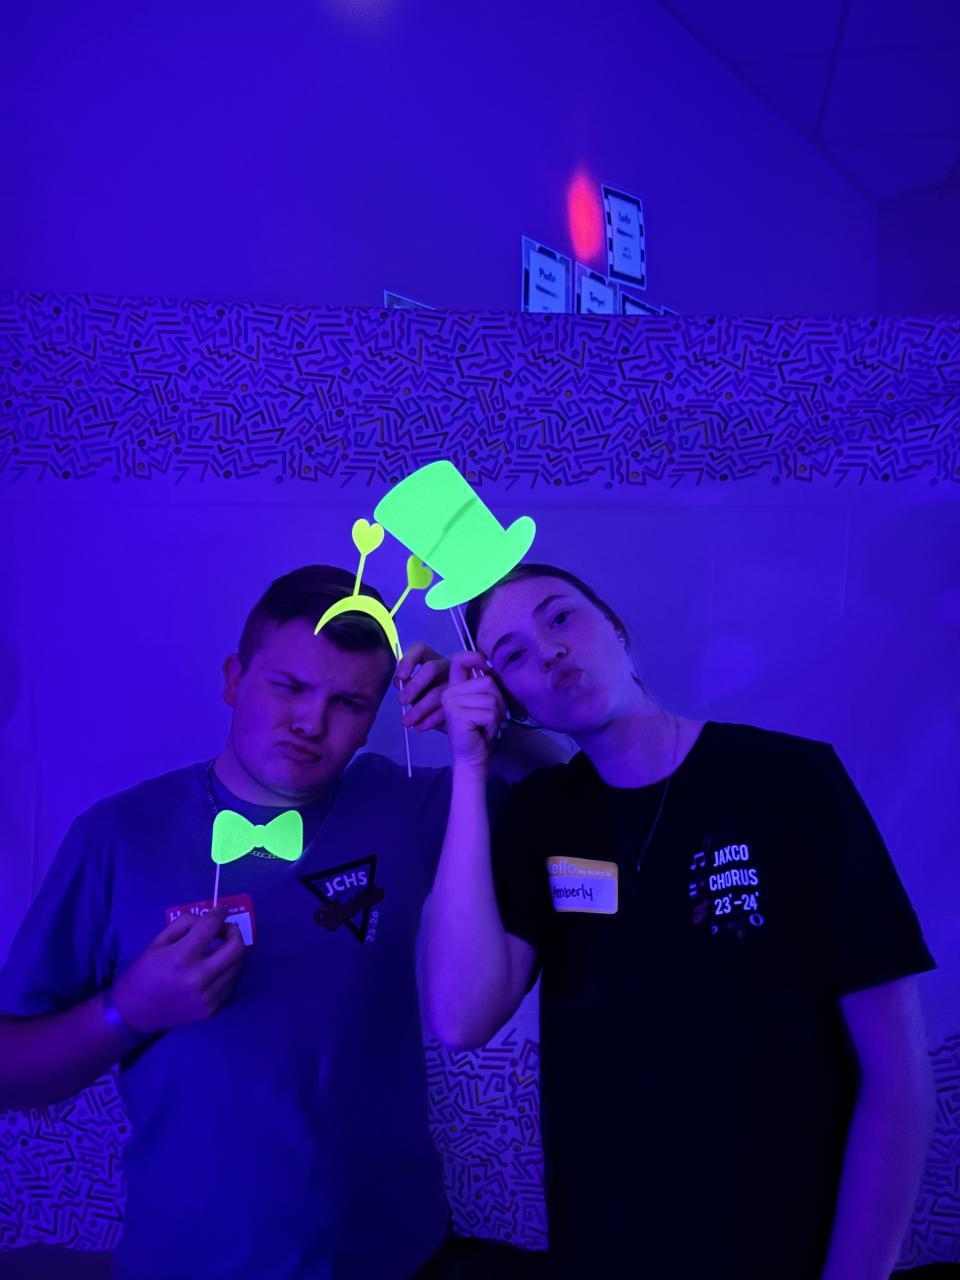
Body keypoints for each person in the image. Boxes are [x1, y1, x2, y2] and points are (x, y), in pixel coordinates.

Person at [0, 564, 563, 1280]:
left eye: (349, 703)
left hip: (396, 1256)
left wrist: (491, 721)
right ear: (234, 679)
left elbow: (558, 795)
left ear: (376, 716)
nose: (311, 723)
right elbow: (11, 1073)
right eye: (289, 686)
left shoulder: (402, 804)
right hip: (193, 1263)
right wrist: (127, 1011)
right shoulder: (115, 838)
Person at [421, 562, 937, 1280]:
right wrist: (471, 763)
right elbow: (459, 1016)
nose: (549, 650)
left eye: (561, 616)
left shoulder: (793, 781)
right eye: (513, 656)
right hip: (605, 1252)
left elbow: (897, 1076)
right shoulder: (544, 815)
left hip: (787, 1247)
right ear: (514, 700)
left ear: (617, 630)